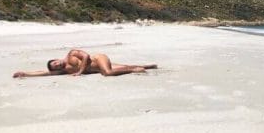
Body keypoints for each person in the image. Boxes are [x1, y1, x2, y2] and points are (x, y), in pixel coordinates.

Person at [13, 48, 157, 78]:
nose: (56, 65)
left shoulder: (71, 54)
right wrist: (25, 73)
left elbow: (86, 56)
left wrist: (80, 72)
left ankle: (135, 70)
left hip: (99, 59)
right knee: (122, 66)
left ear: (57, 59)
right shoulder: (66, 70)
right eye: (55, 67)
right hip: (97, 67)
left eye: (55, 63)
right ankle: (147, 66)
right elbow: (44, 73)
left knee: (107, 73)